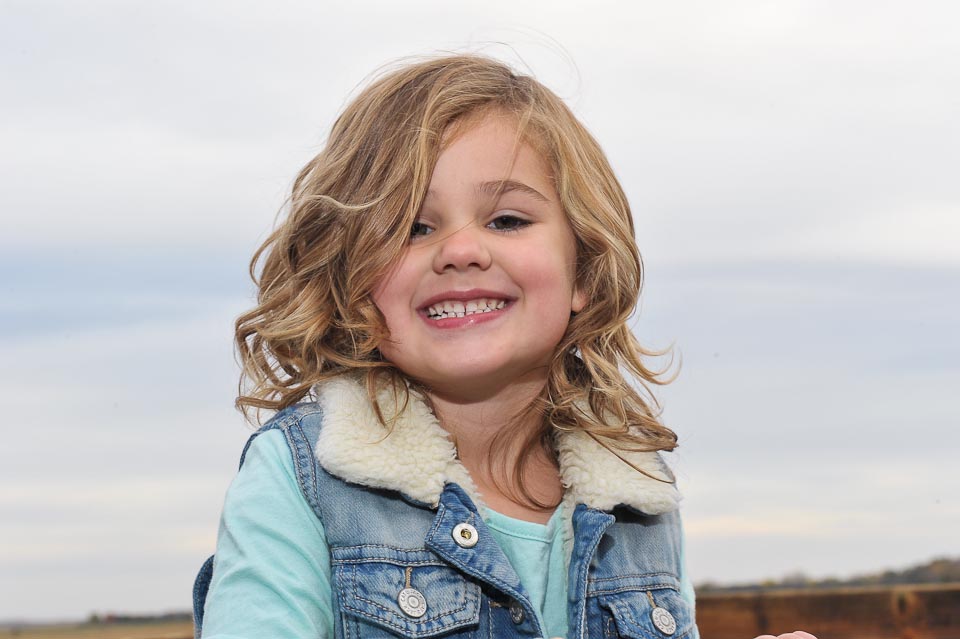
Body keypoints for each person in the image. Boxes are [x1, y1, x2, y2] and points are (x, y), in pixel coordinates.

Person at [192, 54, 815, 639]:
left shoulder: (637, 493)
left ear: (583, 270)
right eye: (413, 228)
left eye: (507, 220)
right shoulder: (301, 477)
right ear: (351, 283)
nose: (461, 250)